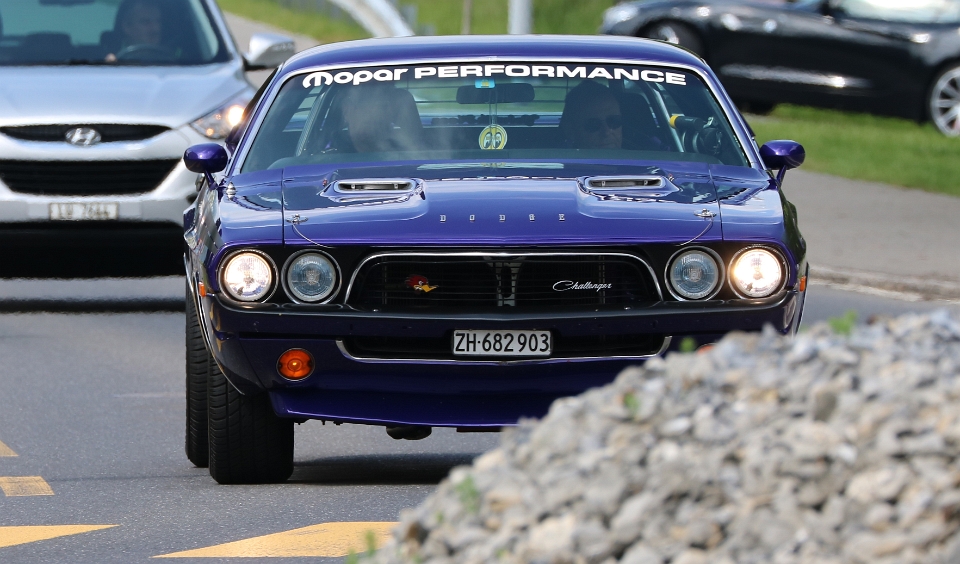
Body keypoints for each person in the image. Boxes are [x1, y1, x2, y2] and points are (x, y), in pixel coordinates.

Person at [336, 84, 423, 153]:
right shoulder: (333, 154)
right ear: (347, 110)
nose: (375, 112)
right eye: (365, 103)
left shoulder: (409, 152)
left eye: (383, 106)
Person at [559, 80, 624, 150]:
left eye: (614, 121)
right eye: (593, 125)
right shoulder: (555, 156)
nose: (606, 132)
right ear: (570, 131)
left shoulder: (632, 154)